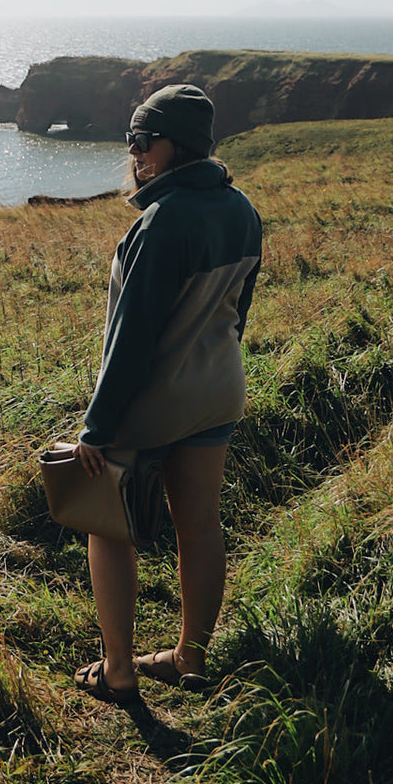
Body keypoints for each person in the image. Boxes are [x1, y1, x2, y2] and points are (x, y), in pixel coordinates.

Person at [72, 83, 262, 706]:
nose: (133, 153)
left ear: (174, 144)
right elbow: (238, 313)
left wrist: (96, 428)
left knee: (108, 524)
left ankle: (119, 669)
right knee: (199, 524)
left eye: (141, 140)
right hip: (219, 389)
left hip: (157, 398)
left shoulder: (161, 221)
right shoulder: (241, 209)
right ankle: (190, 658)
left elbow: (131, 340)